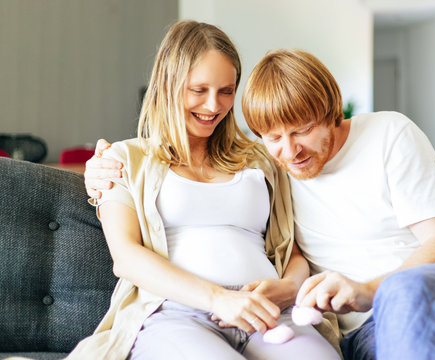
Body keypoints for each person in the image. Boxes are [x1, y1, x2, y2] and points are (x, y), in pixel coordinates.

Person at [85, 48, 435, 359]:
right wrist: (98, 169)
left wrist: (368, 291)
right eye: (273, 137)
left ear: (332, 110)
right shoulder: (271, 169)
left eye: (302, 130)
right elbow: (281, 247)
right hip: (369, 334)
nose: (291, 150)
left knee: (404, 293)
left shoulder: (389, 133)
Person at [70, 22, 340, 360]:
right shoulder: (123, 159)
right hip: (177, 315)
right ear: (168, 85)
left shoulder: (261, 158)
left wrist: (289, 287)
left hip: (269, 313)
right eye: (199, 90)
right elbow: (126, 258)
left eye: (226, 91)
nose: (214, 106)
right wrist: (219, 298)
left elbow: (292, 250)